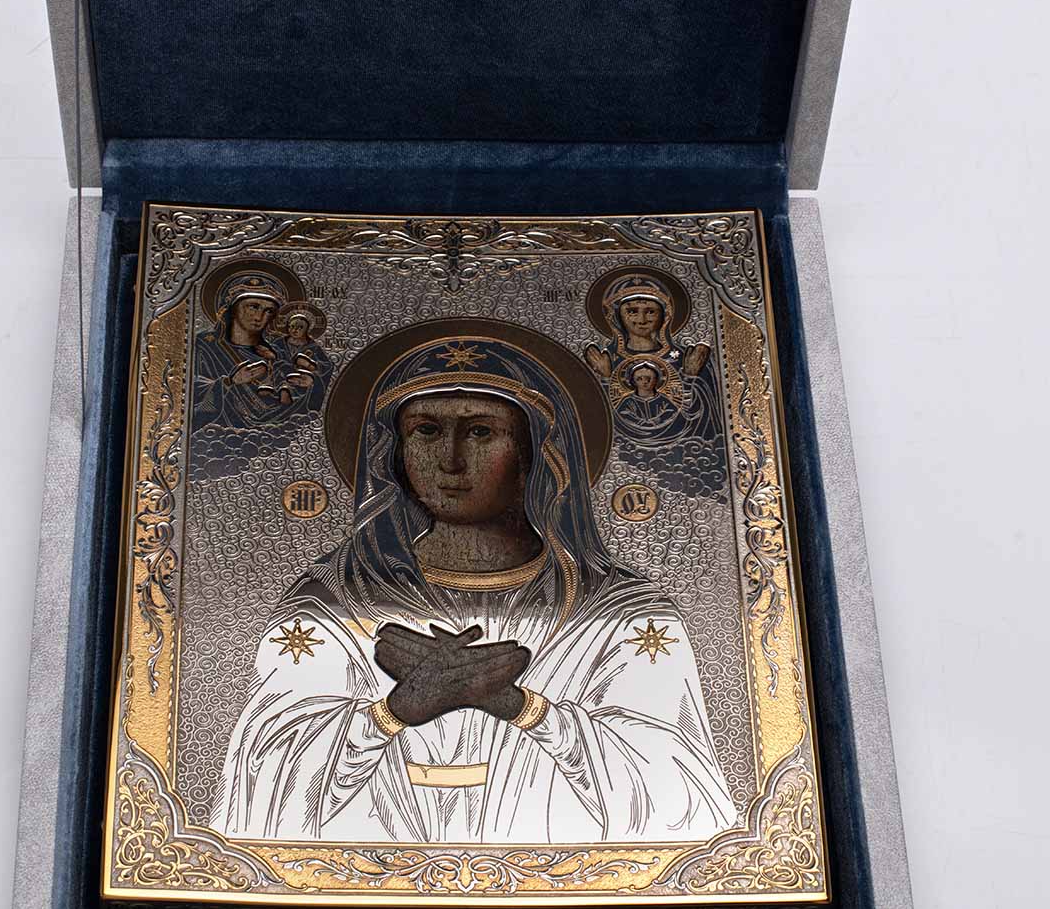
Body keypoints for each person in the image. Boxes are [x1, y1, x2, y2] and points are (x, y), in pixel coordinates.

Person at [209, 332, 736, 845]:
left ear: (536, 452)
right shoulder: (334, 601)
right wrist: (395, 711)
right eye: (425, 431)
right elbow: (261, 784)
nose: (450, 460)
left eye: (481, 432)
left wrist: (515, 704)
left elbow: (680, 793)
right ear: (392, 452)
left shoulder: (620, 612)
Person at [191, 275, 288, 430]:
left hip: (276, 432)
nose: (259, 317)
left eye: (268, 311)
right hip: (218, 434)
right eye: (253, 307)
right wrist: (229, 382)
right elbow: (187, 395)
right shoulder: (204, 347)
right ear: (233, 309)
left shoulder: (278, 353)